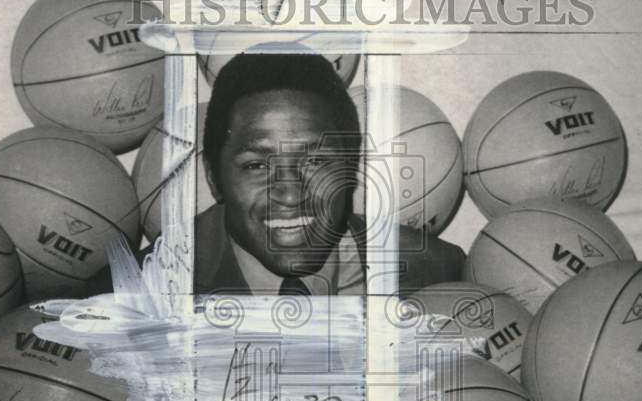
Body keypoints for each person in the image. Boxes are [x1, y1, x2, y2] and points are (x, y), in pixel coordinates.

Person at [89, 50, 465, 297]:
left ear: (351, 166)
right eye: (256, 165)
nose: (289, 194)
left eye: (316, 162)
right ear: (213, 178)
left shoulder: (440, 273)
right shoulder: (129, 292)